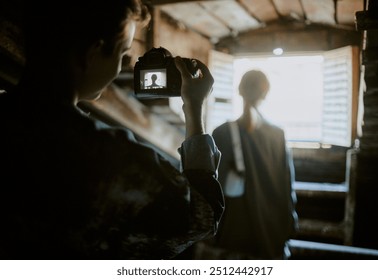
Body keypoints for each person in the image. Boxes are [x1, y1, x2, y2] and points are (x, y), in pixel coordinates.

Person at [0, 0, 224, 260]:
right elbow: (202, 215)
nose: (120, 67)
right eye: (122, 53)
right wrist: (194, 109)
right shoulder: (103, 155)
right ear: (93, 52)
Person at [207, 69, 298, 259]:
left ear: (239, 90)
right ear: (265, 93)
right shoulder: (278, 135)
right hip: (270, 230)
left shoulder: (221, 133)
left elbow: (211, 189)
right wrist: (289, 226)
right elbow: (286, 186)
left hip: (233, 233)